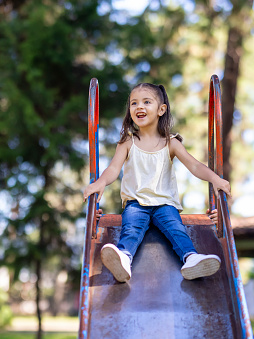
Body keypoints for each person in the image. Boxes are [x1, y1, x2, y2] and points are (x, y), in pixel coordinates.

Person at [83, 82, 231, 283]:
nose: (139, 107)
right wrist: (100, 182)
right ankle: (124, 259)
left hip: (164, 204)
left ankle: (191, 258)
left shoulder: (171, 143)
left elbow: (194, 166)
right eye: (134, 103)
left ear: (161, 109)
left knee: (176, 229)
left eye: (146, 102)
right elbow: (113, 170)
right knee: (131, 228)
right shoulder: (128, 142)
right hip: (136, 203)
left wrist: (215, 179)